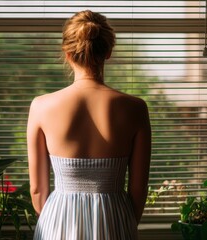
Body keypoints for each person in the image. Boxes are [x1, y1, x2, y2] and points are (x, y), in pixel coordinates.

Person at [27, 10, 151, 240]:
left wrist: (54, 222)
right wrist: (123, 223)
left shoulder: (41, 107)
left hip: (59, 221)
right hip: (114, 219)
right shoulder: (135, 108)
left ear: (67, 53)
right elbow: (138, 190)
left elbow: (37, 190)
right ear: (109, 52)